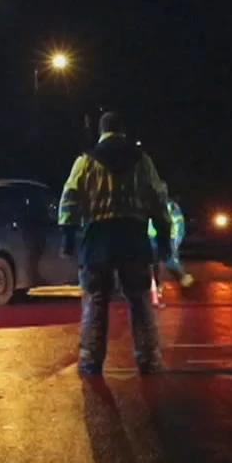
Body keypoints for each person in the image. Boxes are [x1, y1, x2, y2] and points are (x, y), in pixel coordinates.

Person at [59, 112, 170, 375]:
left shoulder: (85, 161)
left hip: (97, 239)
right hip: (133, 239)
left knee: (96, 301)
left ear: (101, 131)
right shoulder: (142, 161)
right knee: (139, 301)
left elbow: (70, 197)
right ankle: (148, 358)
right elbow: (158, 199)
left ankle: (90, 360)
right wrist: (163, 237)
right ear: (123, 131)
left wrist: (68, 234)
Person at [149, 197, 193, 307]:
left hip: (166, 237)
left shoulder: (170, 206)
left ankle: (186, 284)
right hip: (152, 238)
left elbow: (179, 224)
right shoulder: (147, 203)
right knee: (155, 264)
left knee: (170, 261)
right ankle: (157, 290)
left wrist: (176, 239)